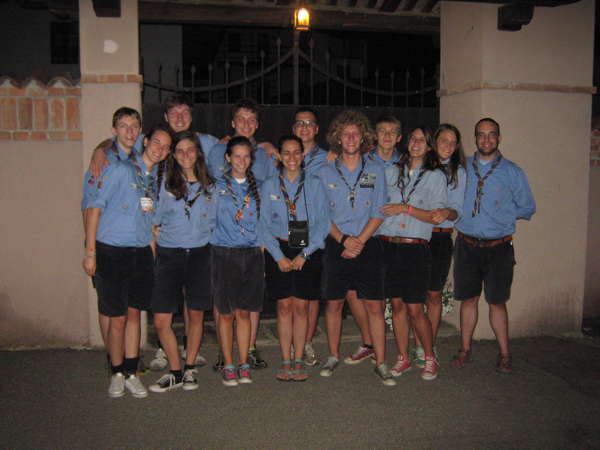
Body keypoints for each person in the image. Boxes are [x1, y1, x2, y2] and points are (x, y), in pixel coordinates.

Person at [87, 95, 216, 370]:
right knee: (116, 310)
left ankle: (137, 364)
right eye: (174, 112)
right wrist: (99, 150)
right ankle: (117, 365)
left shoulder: (203, 144)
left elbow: (235, 149)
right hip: (117, 244)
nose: (180, 117)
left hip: (148, 245)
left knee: (140, 309)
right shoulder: (125, 160)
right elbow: (94, 203)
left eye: (185, 112)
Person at [82, 124, 173, 398]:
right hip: (112, 252)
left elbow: (149, 224)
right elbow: (94, 208)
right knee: (117, 318)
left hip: (141, 254)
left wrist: (152, 258)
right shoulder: (120, 169)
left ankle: (132, 373)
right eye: (156, 142)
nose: (160, 149)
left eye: (166, 147)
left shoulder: (153, 181)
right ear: (145, 142)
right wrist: (90, 252)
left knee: (135, 315)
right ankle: (117, 372)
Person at [452, 117, 535, 373]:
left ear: (499, 138)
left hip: (499, 247)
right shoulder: (462, 167)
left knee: (497, 302)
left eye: (491, 134)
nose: (486, 139)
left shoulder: (512, 171)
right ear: (475, 138)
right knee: (468, 299)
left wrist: (501, 216)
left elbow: (527, 207)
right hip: (466, 245)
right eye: (481, 134)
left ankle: (505, 353)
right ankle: (465, 349)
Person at [317, 110, 394, 386]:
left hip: (368, 243)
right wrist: (344, 240)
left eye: (355, 134)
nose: (350, 138)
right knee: (334, 303)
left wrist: (359, 240)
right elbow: (321, 214)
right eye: (345, 134)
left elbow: (379, 211)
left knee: (374, 305)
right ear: (338, 138)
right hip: (336, 243)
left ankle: (381, 362)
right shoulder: (324, 171)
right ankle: (333, 355)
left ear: (363, 138)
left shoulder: (376, 170)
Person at [208, 98, 275, 371]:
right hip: (224, 246)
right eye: (241, 119)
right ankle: (225, 353)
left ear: (257, 125)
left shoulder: (265, 155)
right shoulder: (216, 150)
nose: (246, 124)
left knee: (249, 305)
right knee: (224, 304)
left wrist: (265, 241)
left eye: (251, 120)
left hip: (252, 246)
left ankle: (249, 350)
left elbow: (271, 198)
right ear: (233, 122)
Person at [148, 131, 216, 393]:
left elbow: (216, 222)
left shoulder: (211, 187)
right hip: (169, 254)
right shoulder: (164, 184)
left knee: (196, 314)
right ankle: (174, 370)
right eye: (180, 150)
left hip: (200, 255)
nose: (185, 155)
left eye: (190, 149)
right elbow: (152, 218)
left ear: (198, 153)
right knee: (161, 320)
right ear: (173, 156)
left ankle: (189, 369)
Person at [378, 126, 447, 381]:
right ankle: (403, 357)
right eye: (413, 138)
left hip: (415, 247)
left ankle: (429, 357)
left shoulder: (435, 176)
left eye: (422, 140)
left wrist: (405, 208)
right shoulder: (390, 172)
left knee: (415, 308)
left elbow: (435, 216)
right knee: (396, 305)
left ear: (429, 147)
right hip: (389, 245)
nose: (416, 143)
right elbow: (378, 206)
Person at [259, 135, 330, 381]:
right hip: (278, 248)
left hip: (307, 249)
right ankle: (286, 360)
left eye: (296, 152)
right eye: (286, 152)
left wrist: (305, 254)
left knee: (301, 307)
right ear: (279, 155)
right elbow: (263, 225)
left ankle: (298, 359)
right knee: (284, 306)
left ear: (302, 155)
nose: (291, 157)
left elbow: (323, 223)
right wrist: (278, 256)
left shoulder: (315, 184)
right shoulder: (269, 185)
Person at [81, 107, 143, 367]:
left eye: (134, 126)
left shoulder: (139, 159)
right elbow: (89, 207)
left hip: (133, 247)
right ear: (114, 130)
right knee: (110, 309)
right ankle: (113, 360)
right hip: (106, 246)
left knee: (130, 309)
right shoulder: (103, 162)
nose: (129, 131)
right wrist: (91, 249)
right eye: (124, 126)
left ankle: (128, 361)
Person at [342, 114, 404, 366]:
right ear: (374, 135)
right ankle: (369, 343)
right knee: (354, 294)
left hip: (398, 237)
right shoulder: (362, 161)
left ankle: (402, 351)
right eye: (382, 131)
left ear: (399, 137)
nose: (387, 135)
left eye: (392, 131)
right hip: (369, 237)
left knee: (396, 299)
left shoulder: (407, 163)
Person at [411, 123, 467, 368]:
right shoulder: (421, 165)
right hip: (418, 236)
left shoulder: (459, 172)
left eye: (453, 142)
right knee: (415, 295)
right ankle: (418, 343)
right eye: (444, 140)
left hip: (441, 239)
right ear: (434, 142)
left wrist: (447, 212)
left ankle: (428, 345)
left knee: (434, 294)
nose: (448, 146)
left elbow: (458, 211)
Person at [211, 136, 264, 386]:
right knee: (225, 314)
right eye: (237, 156)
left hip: (252, 254)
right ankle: (228, 364)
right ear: (228, 158)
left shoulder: (260, 187)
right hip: (224, 253)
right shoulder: (216, 186)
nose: (241, 161)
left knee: (244, 312)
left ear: (251, 159)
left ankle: (243, 363)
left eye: (246, 156)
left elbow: (267, 220)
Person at [290, 108, 328, 366]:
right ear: (294, 128)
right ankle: (292, 339)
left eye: (309, 124)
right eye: (299, 123)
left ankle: (306, 342)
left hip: (315, 229)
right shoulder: (283, 154)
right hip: (291, 228)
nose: (304, 128)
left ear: (316, 129)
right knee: (292, 292)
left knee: (311, 293)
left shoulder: (328, 158)